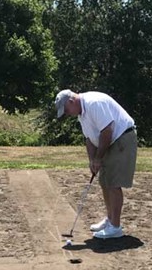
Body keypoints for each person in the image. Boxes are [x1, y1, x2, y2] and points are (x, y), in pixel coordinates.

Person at [55, 89, 137, 239]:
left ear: (72, 101)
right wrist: (92, 160)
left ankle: (115, 227)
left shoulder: (94, 103)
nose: (67, 113)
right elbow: (89, 138)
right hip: (109, 142)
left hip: (121, 139)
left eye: (66, 110)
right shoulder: (82, 114)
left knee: (113, 182)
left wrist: (98, 158)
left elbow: (107, 131)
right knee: (104, 182)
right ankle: (110, 219)